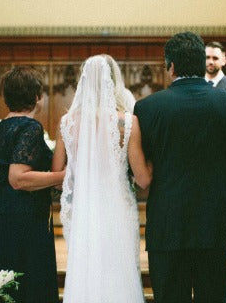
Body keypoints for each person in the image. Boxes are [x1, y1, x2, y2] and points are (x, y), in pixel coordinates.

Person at [134, 32, 226, 302]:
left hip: (168, 226)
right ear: (202, 64)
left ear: (171, 66)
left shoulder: (148, 108)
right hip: (217, 224)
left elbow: (141, 169)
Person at [54, 55, 152, 303]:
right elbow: (142, 178)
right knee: (118, 270)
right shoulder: (128, 122)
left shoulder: (66, 122)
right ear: (114, 81)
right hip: (117, 205)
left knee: (86, 268)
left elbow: (58, 175)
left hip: (84, 208)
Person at [0, 67, 64, 302]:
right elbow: (18, 178)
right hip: (23, 217)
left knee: (4, 279)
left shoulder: (0, 127)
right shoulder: (30, 127)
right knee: (28, 282)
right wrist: (63, 176)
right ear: (37, 96)